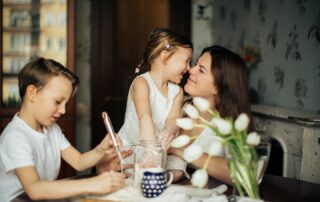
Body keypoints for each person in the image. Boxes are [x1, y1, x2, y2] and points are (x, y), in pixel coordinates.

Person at [0, 58, 126, 201]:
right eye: (58, 102)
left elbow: (78, 162)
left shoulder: (52, 129)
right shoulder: (15, 136)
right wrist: (92, 184)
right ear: (32, 93)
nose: (63, 110)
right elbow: (34, 189)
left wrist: (101, 149)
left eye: (66, 103)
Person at [169, 45, 253, 185]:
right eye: (195, 64)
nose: (190, 69)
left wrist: (180, 151)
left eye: (201, 70)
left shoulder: (227, 127)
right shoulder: (174, 104)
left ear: (217, 86)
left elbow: (243, 173)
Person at [117, 28, 193, 180]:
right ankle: (153, 175)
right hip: (134, 147)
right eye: (186, 61)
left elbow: (173, 120)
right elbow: (145, 117)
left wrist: (169, 131)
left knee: (179, 164)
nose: (189, 68)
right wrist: (150, 153)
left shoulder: (177, 91)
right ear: (165, 57)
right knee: (137, 165)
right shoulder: (142, 83)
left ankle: (163, 177)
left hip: (160, 149)